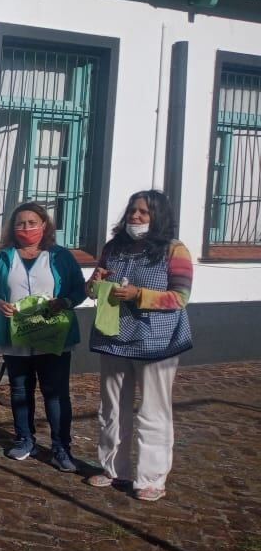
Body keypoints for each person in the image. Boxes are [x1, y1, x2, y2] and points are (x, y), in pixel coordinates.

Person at [86, 190, 192, 502]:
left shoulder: (175, 250)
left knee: (153, 410)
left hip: (156, 341)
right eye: (133, 210)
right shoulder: (114, 248)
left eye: (144, 212)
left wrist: (138, 295)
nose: (135, 217)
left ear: (158, 217)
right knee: (112, 407)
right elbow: (93, 291)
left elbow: (179, 297)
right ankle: (112, 468)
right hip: (114, 337)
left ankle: (151, 478)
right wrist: (94, 282)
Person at [0, 202, 87, 471]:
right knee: (20, 391)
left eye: (31, 222)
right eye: (20, 223)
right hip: (16, 335)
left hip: (53, 334)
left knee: (55, 392)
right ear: (13, 228)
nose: (26, 228)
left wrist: (64, 302)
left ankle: (61, 448)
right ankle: (24, 439)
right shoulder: (3, 258)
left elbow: (80, 289)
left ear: (44, 225)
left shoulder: (61, 256)